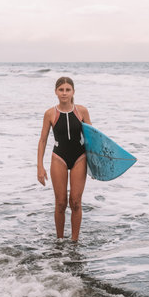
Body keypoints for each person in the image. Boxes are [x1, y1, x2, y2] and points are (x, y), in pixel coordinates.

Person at [37, 77, 91, 241]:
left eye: (68, 90)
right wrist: (40, 166)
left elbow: (92, 139)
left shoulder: (82, 111)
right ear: (56, 92)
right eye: (61, 90)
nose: (64, 93)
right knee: (60, 203)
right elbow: (43, 140)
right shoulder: (50, 114)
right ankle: (60, 242)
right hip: (59, 157)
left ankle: (74, 242)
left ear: (73, 91)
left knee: (75, 202)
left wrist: (96, 165)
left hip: (79, 157)